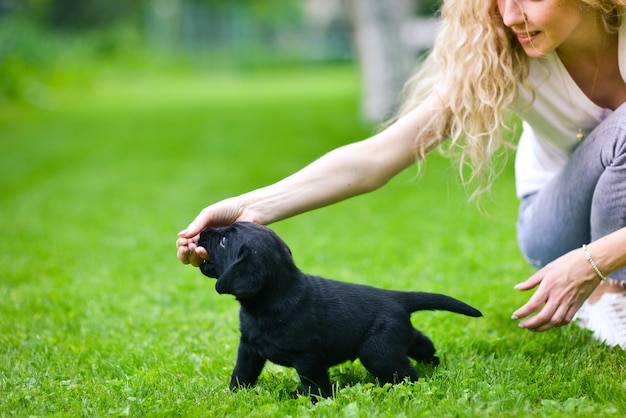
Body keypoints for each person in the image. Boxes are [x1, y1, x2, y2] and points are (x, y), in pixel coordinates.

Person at [177, 0, 626, 349]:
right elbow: (379, 157)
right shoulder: (498, 49)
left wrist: (596, 258)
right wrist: (251, 207)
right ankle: (610, 295)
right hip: (558, 224)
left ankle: (610, 272)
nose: (510, 16)